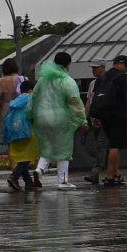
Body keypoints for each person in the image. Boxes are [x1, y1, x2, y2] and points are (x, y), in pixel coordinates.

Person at [31, 51, 86, 189]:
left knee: (47, 146)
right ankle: (62, 181)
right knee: (64, 147)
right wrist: (82, 120)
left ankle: (40, 170)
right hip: (59, 118)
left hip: (41, 117)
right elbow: (75, 102)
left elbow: (34, 97)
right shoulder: (67, 80)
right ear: (68, 64)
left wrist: (31, 115)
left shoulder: (43, 80)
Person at [89, 55, 127, 186]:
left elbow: (93, 98)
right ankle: (110, 176)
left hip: (103, 115)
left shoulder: (102, 77)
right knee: (116, 145)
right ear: (122, 64)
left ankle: (116, 173)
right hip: (117, 115)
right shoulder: (123, 77)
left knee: (112, 144)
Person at [1, 75, 39, 190]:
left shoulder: (15, 101)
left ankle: (28, 182)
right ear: (31, 90)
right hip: (27, 131)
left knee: (22, 157)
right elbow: (33, 115)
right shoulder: (31, 99)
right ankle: (14, 176)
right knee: (27, 157)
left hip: (14, 132)